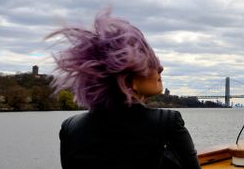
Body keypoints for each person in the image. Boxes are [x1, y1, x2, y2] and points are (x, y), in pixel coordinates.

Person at [47, 9, 201, 169]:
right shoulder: (168, 123)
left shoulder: (70, 127)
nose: (160, 68)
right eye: (150, 63)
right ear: (127, 81)